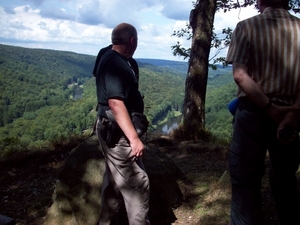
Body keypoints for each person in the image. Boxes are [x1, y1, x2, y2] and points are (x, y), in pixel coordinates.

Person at [226, 0, 300, 224]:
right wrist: (292, 112)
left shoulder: (246, 27)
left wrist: (270, 108)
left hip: (253, 114)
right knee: (286, 180)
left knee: (245, 183)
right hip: (291, 116)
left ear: (260, 2)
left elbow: (240, 75)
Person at [95, 23, 150, 225]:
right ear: (133, 41)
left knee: (114, 183)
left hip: (111, 128)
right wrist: (134, 139)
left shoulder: (108, 54)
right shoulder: (115, 63)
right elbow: (115, 103)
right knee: (137, 184)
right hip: (118, 134)